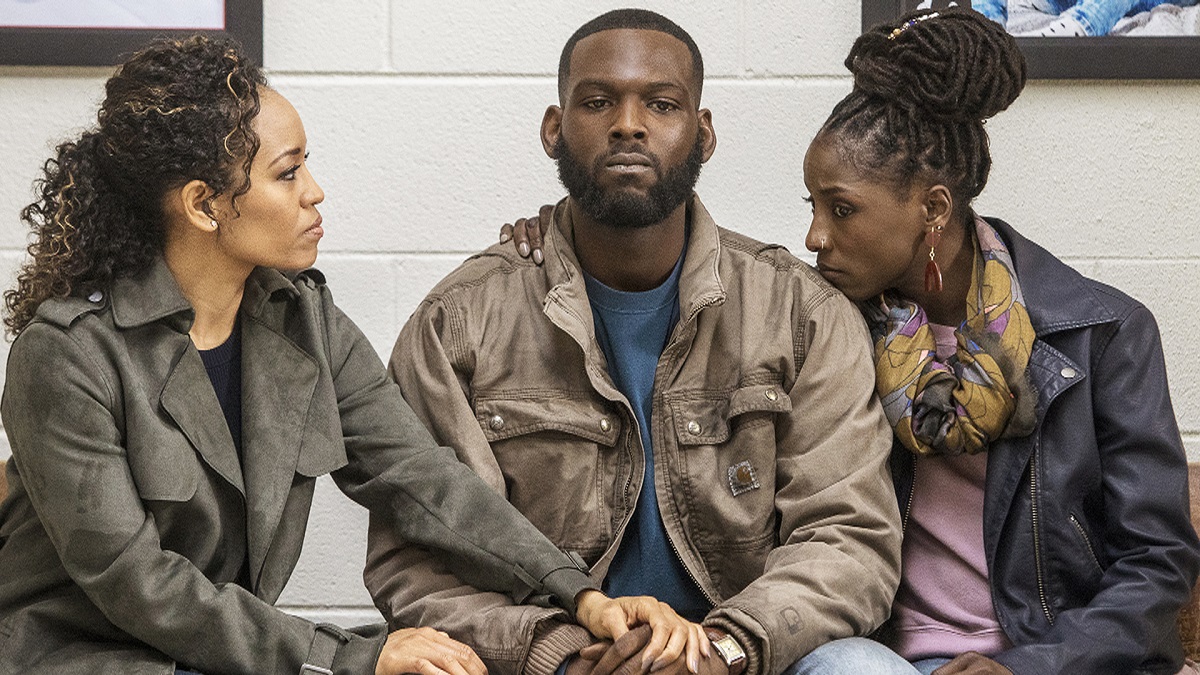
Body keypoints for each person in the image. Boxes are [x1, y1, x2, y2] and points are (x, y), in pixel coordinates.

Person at [506, 8, 1200, 674]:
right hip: (874, 650)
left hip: (1048, 654)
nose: (815, 236)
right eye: (813, 206)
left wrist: (1027, 667)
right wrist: (565, 230)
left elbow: (1158, 561)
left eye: (842, 210)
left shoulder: (1100, 334)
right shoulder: (827, 323)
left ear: (932, 209)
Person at [0, 35, 697, 675]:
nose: (315, 191)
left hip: (226, 653)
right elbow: (136, 582)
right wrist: (348, 657)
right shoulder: (64, 356)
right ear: (204, 205)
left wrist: (577, 593)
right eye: (287, 173)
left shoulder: (302, 318)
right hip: (79, 657)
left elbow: (423, 479)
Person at [364, 9, 903, 675]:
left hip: (740, 657)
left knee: (862, 668)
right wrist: (554, 653)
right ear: (554, 130)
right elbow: (418, 562)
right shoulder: (460, 322)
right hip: (552, 659)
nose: (628, 123)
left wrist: (720, 649)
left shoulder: (800, 313)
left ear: (703, 134)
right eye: (597, 102)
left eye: (661, 102)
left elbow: (849, 539)